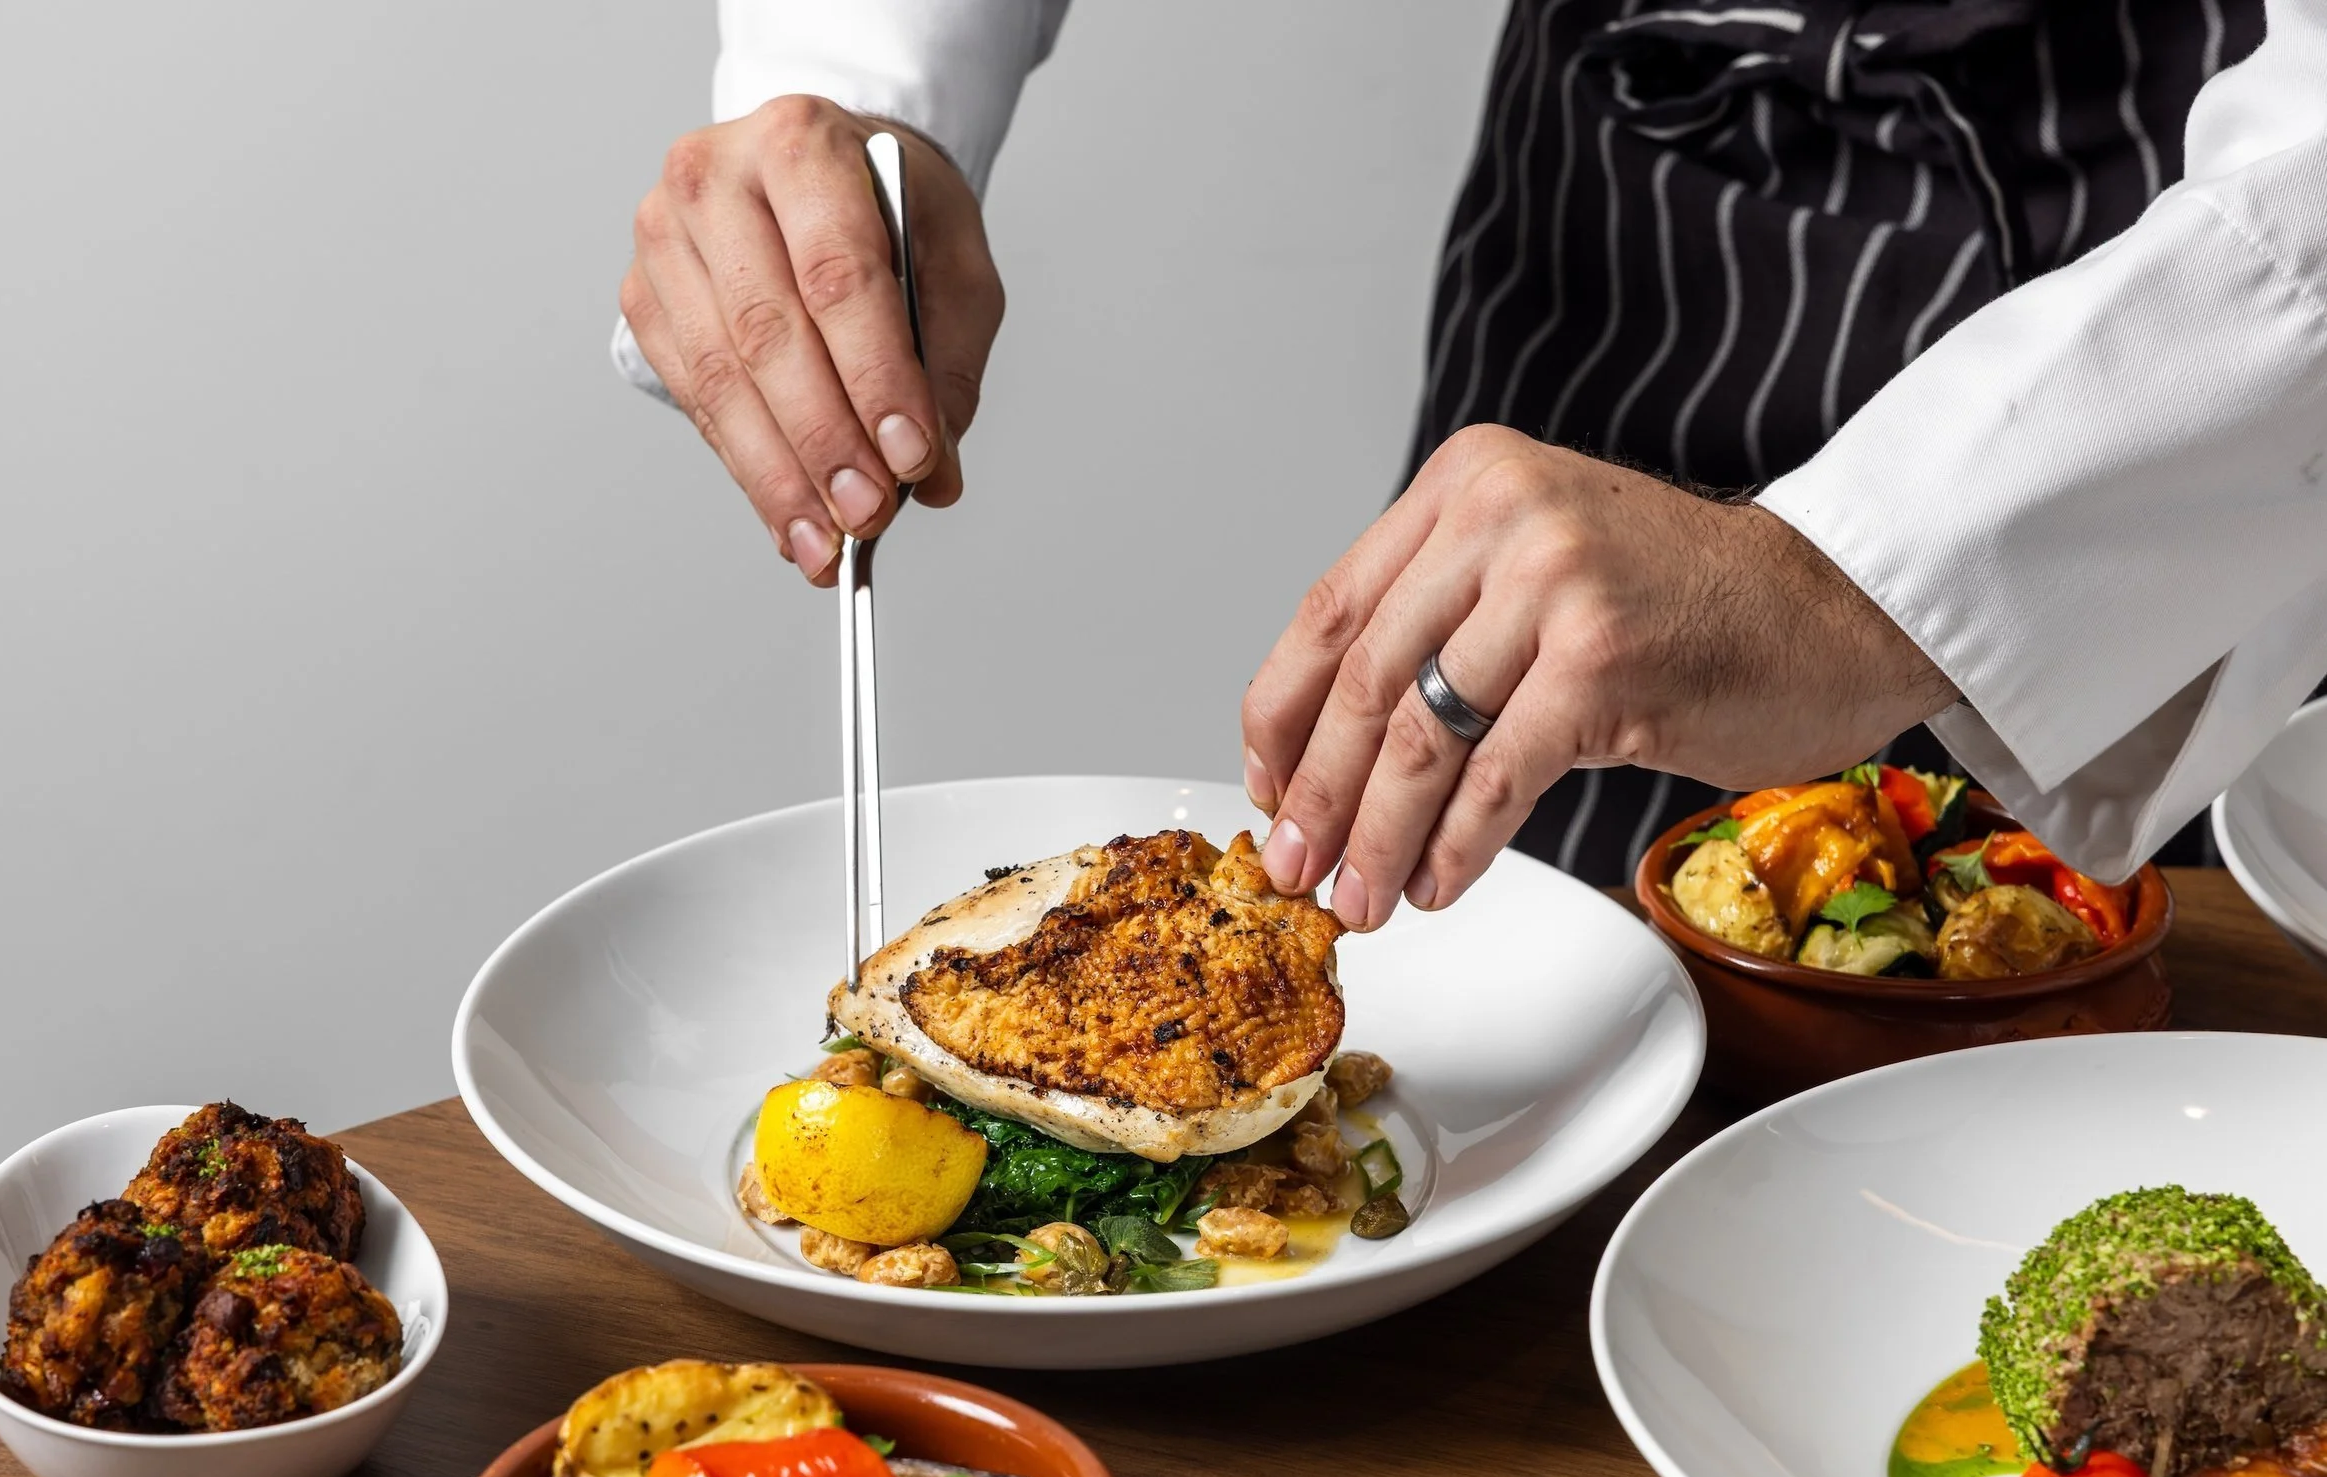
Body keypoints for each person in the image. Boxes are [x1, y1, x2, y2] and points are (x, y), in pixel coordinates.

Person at [614, 0, 2327, 932]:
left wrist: (1874, 570)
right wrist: (854, 88)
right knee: (1540, 1096)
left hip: (2202, 332)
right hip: (1615, 211)